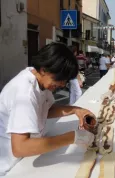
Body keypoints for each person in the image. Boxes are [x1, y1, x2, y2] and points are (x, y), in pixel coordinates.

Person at [0, 43, 96, 176]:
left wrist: (75, 110)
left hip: (27, 159)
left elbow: (45, 110)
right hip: (10, 167)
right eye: (60, 79)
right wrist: (73, 137)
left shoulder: (39, 80)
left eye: (65, 81)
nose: (62, 85)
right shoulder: (25, 92)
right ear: (44, 69)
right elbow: (20, 148)